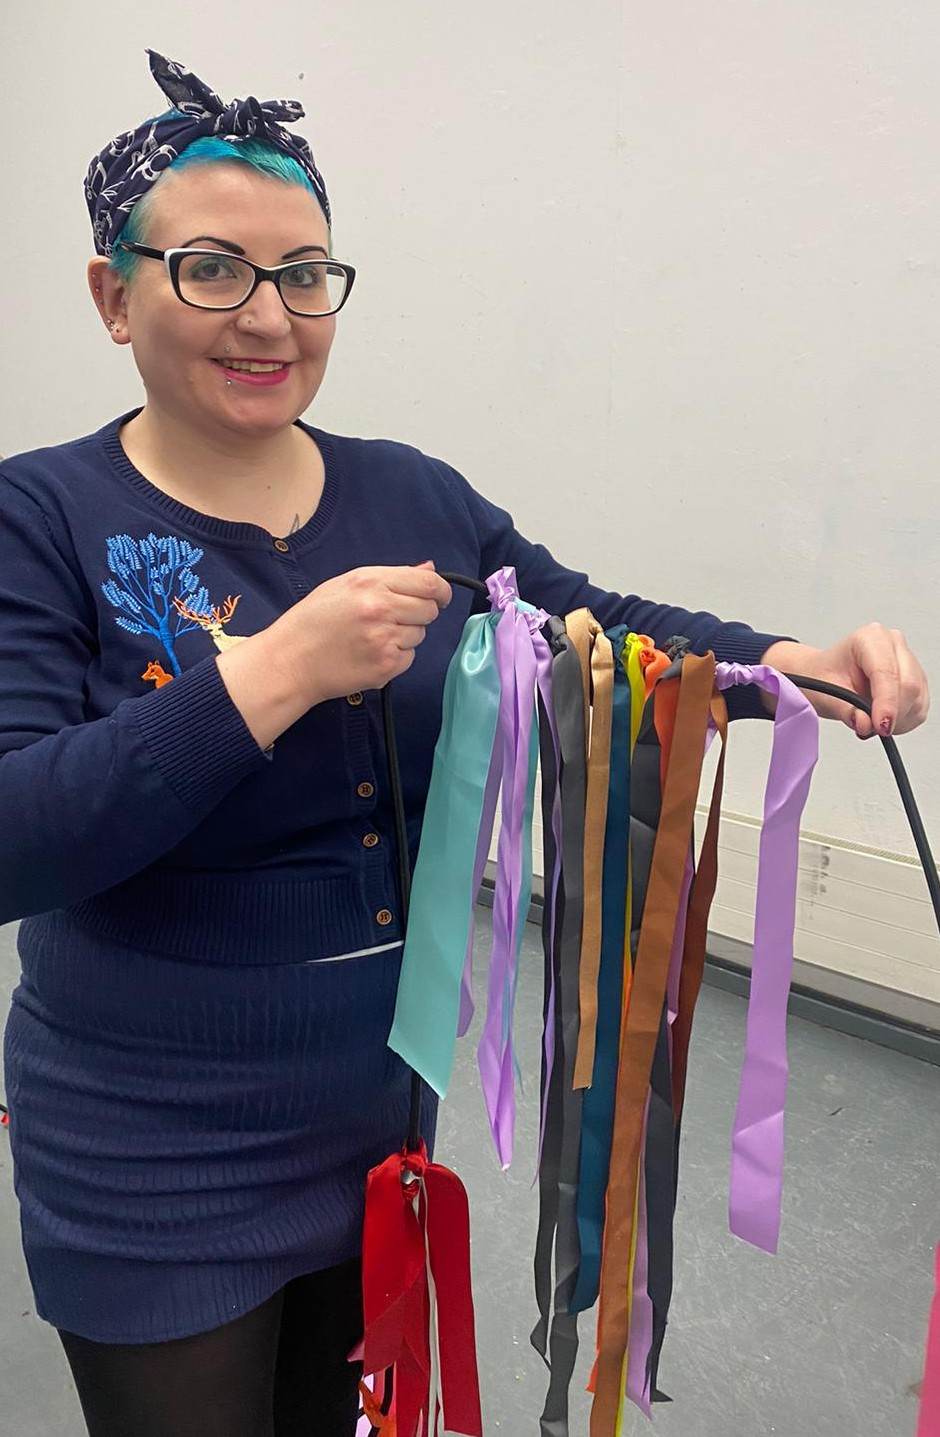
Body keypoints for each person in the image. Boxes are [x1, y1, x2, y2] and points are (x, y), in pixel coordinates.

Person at [0, 47, 929, 1437]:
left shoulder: (410, 491)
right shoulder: (41, 515)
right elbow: (20, 832)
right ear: (112, 296)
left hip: (377, 1109)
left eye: (305, 274)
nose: (269, 316)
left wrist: (778, 663)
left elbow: (593, 625)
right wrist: (269, 677)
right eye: (212, 269)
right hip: (152, 1133)